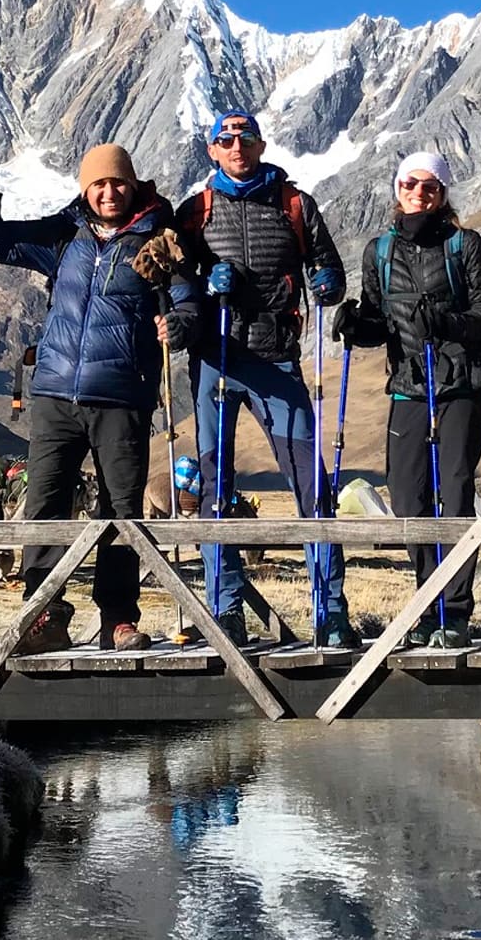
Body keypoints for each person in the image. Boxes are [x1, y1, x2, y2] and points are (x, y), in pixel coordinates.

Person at [0, 144, 191, 653]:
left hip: (121, 397)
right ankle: (44, 613)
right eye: (98, 184)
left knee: (119, 510)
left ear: (132, 185)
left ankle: (117, 619)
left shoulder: (157, 240)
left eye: (117, 183)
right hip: (53, 393)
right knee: (45, 505)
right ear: (85, 190)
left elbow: (186, 297)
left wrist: (179, 323)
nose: (109, 192)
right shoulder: (64, 237)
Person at [174, 110, 352, 647]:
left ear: (260, 144)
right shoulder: (195, 212)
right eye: (225, 140)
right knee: (214, 488)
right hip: (216, 359)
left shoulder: (296, 205)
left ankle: (332, 612)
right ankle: (224, 611)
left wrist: (327, 284)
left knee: (312, 488)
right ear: (212, 150)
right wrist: (206, 281)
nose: (236, 147)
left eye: (245, 139)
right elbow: (178, 279)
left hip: (277, 360)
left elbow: (333, 273)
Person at [335, 151, 481, 649]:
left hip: (460, 388)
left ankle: (455, 613)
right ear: (397, 189)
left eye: (430, 186)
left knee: (454, 491)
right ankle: (429, 605)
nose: (419, 193)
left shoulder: (464, 245)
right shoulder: (378, 252)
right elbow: (379, 322)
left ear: (443, 193)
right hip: (408, 386)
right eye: (410, 184)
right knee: (408, 500)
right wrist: (356, 326)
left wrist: (445, 324)